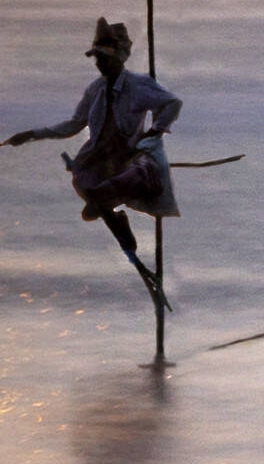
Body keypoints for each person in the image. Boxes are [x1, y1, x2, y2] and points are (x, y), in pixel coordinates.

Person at [10, 15, 181, 294]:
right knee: (85, 181)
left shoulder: (138, 85)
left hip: (130, 157)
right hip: (100, 159)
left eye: (103, 57)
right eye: (97, 58)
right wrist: (33, 134)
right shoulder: (96, 89)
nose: (99, 63)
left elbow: (172, 103)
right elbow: (74, 125)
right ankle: (118, 227)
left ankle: (114, 220)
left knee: (115, 188)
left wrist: (156, 131)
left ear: (117, 58)